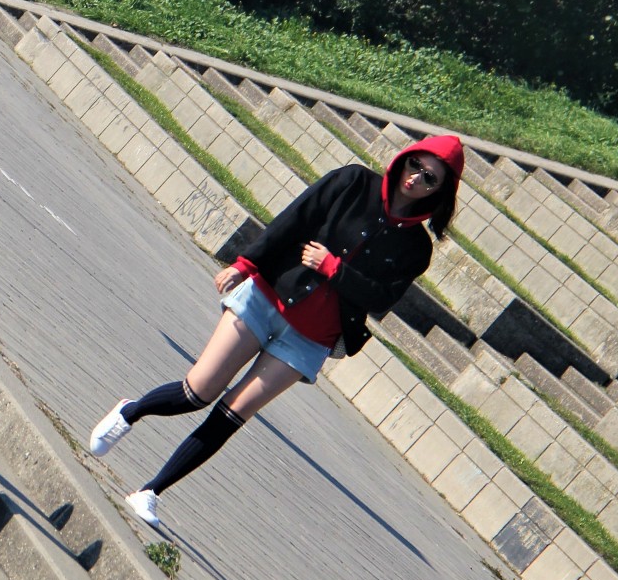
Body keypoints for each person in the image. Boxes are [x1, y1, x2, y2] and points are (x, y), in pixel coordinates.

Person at [90, 134, 465, 529]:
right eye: (416, 166)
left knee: (234, 413)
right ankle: (130, 412)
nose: (416, 179)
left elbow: (379, 299)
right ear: (404, 159)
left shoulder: (416, 249)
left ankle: (150, 492)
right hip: (266, 298)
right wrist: (245, 265)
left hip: (309, 339)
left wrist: (334, 269)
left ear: (439, 193)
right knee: (198, 391)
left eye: (429, 179)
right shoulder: (354, 183)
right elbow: (295, 219)